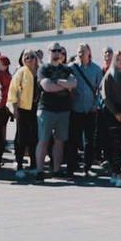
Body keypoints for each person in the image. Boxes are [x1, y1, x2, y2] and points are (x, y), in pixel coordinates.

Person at [35, 42, 76, 180]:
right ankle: (40, 170)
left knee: (60, 141)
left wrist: (57, 81)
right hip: (46, 109)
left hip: (63, 110)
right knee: (43, 140)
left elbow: (73, 83)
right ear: (49, 52)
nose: (57, 53)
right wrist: (65, 85)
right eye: (54, 50)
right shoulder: (43, 69)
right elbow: (47, 86)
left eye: (60, 50)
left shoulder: (66, 69)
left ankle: (57, 169)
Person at [68, 43, 103, 176]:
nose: (81, 54)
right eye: (79, 52)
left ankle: (87, 167)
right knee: (73, 140)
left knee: (89, 141)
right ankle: (71, 167)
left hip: (90, 110)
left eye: (83, 51)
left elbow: (100, 89)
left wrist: (96, 105)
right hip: (76, 109)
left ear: (89, 52)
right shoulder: (72, 68)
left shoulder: (96, 69)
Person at [100, 50, 121, 187]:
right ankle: (116, 173)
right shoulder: (109, 75)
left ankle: (117, 172)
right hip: (112, 113)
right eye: (118, 59)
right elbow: (106, 97)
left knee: (120, 144)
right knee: (115, 144)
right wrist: (116, 113)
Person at [7, 50, 40, 175]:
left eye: (32, 57)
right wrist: (14, 109)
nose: (29, 59)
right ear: (23, 60)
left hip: (36, 109)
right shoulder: (20, 72)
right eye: (26, 57)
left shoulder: (40, 72)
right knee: (21, 138)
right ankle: (19, 165)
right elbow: (13, 91)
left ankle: (33, 165)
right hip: (22, 109)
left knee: (34, 138)